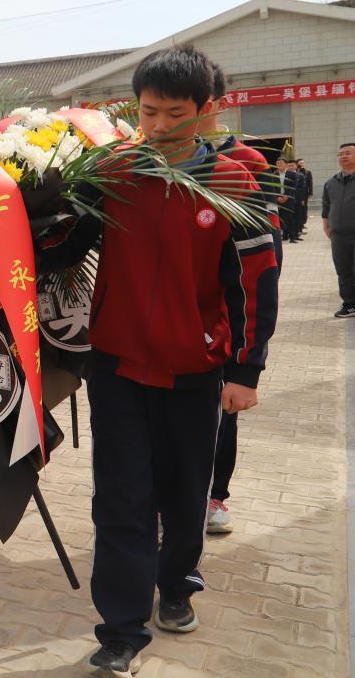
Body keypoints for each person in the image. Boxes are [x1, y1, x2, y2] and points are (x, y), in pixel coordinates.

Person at [69, 47, 278, 675]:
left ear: (207, 111)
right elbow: (63, 242)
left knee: (185, 491)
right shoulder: (114, 171)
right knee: (121, 497)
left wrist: (245, 369)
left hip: (194, 366)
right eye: (147, 112)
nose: (158, 127)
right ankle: (121, 631)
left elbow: (255, 280)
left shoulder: (234, 182)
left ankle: (177, 585)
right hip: (116, 364)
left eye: (174, 114)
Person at [198, 64, 281, 535]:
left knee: (220, 414)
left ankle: (215, 495)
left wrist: (252, 349)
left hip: (225, 316)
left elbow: (265, 259)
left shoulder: (248, 162)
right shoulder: (148, 159)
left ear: (216, 104)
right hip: (167, 320)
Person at [322, 142, 355, 318]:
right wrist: (326, 225)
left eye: (348, 153)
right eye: (340, 154)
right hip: (339, 235)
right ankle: (349, 304)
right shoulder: (331, 182)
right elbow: (326, 206)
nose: (343, 156)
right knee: (343, 270)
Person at [276, 158, 302, 243]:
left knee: (290, 218)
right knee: (281, 218)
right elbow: (272, 188)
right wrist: (277, 197)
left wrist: (287, 196)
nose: (279, 164)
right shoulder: (274, 174)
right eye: (278, 163)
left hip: (289, 199)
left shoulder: (291, 174)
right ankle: (284, 236)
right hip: (278, 199)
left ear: (285, 164)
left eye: (281, 163)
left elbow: (293, 186)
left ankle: (292, 237)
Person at [297, 158, 314, 234]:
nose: (302, 164)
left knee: (304, 209)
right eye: (300, 162)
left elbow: (310, 183)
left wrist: (310, 193)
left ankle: (302, 223)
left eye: (303, 162)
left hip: (305, 194)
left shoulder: (307, 172)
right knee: (299, 210)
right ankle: (300, 225)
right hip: (297, 194)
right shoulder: (295, 171)